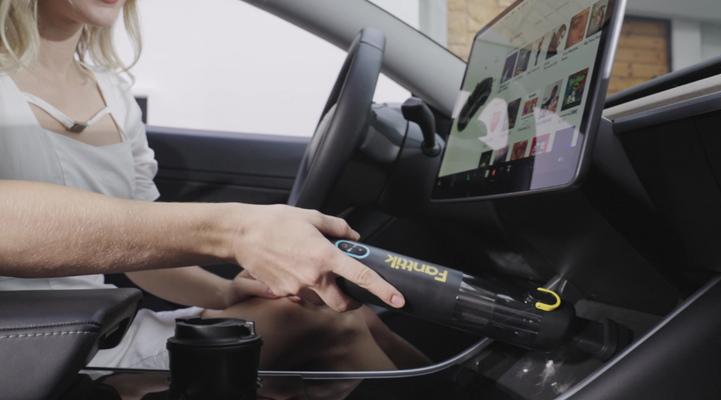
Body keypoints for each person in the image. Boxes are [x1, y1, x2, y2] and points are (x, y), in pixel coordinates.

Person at [0, 0, 429, 372]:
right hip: (31, 346)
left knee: (347, 315)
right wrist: (235, 230)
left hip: (99, 326)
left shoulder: (112, 94)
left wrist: (224, 291)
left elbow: (138, 250)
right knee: (326, 325)